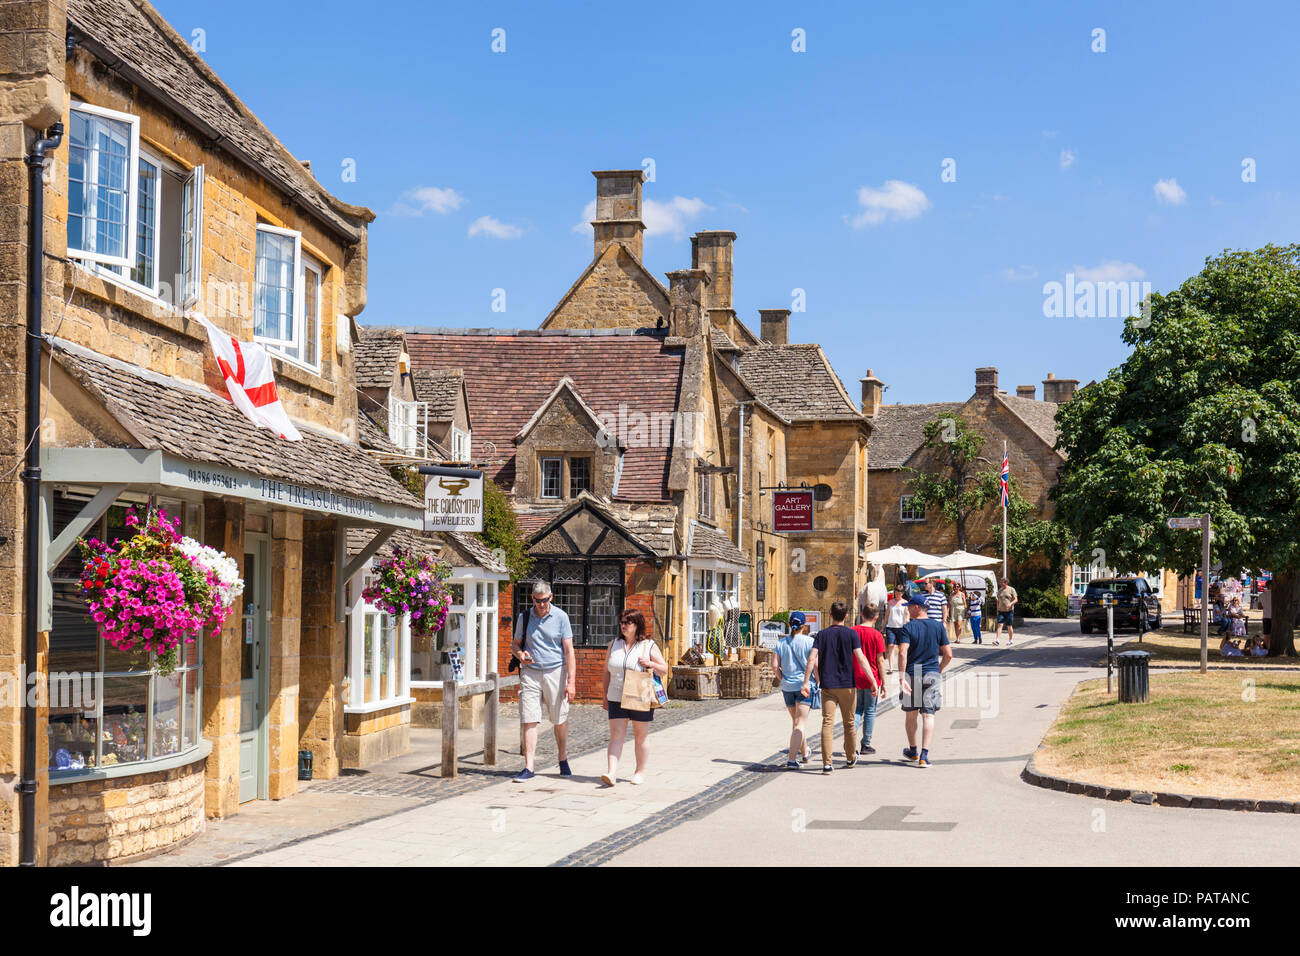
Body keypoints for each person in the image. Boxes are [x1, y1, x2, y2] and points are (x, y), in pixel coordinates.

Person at [511, 582, 576, 782]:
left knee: (559, 719)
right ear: (532, 598)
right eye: (538, 601)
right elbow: (515, 644)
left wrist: (571, 682)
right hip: (530, 672)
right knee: (529, 718)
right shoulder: (525, 617)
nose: (542, 604)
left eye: (545, 600)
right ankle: (529, 766)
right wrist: (521, 654)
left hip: (556, 671)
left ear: (551, 597)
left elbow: (568, 651)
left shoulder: (561, 617)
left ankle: (562, 758)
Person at [802, 601, 872, 773]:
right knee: (849, 723)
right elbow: (861, 659)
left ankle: (827, 763)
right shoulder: (851, 634)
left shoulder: (821, 635)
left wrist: (806, 683)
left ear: (830, 615)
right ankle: (850, 757)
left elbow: (811, 659)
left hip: (828, 686)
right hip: (848, 685)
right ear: (846, 616)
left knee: (827, 723)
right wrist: (873, 681)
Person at [600, 609, 668, 787]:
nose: (623, 626)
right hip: (616, 695)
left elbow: (664, 669)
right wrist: (605, 695)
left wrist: (650, 663)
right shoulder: (614, 643)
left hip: (640, 694)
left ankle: (639, 772)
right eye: (621, 622)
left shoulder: (648, 645)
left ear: (637, 625)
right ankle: (611, 773)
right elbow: (606, 672)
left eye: (627, 623)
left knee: (640, 735)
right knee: (616, 735)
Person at [898, 596, 953, 768]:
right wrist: (939, 669)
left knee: (911, 714)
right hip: (931, 672)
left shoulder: (907, 628)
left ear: (916, 607)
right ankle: (924, 755)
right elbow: (948, 654)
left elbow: (902, 653)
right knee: (928, 715)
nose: (907, 610)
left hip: (913, 673)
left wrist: (901, 676)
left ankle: (913, 750)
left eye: (908, 607)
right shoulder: (938, 626)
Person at [773, 611, 816, 768]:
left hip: (788, 687)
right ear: (804, 626)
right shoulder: (809, 641)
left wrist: (782, 678)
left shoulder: (781, 643)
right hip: (804, 686)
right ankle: (791, 759)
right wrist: (818, 681)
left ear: (789, 625)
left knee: (797, 722)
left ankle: (804, 753)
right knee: (800, 723)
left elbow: (774, 666)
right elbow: (815, 664)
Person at [852, 604, 888, 756]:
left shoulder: (852, 632)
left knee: (856, 710)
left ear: (861, 614)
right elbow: (880, 661)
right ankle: (865, 744)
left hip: (855, 676)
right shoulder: (877, 635)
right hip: (872, 677)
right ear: (876, 616)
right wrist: (884, 681)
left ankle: (850, 740)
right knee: (870, 711)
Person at [884, 586, 909, 671]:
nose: (897, 594)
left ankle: (900, 667)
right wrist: (883, 627)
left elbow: (907, 614)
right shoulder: (890, 602)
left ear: (902, 593)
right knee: (890, 646)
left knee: (900, 648)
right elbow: (886, 615)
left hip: (901, 628)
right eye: (896, 593)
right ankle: (891, 668)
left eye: (899, 593)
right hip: (890, 627)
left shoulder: (905, 602)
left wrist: (907, 623)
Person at [994, 577, 1018, 645]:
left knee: (1009, 626)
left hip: (1009, 611)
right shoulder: (1000, 590)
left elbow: (1016, 599)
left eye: (1002, 582)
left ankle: (1010, 640)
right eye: (1000, 582)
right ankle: (997, 640)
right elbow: (998, 601)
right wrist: (997, 610)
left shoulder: (1011, 589)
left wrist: (1010, 604)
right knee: (999, 625)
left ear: (1006, 583)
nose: (1000, 583)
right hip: (1001, 611)